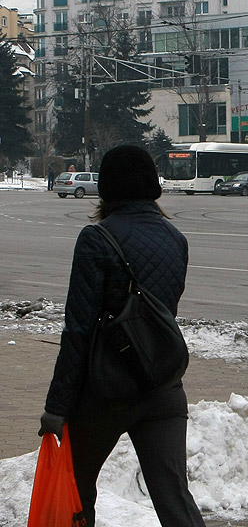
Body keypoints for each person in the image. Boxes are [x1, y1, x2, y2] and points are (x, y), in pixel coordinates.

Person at [38, 144, 206, 527]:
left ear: (107, 189)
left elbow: (78, 330)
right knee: (175, 498)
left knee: (77, 491)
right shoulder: (175, 239)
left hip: (105, 392)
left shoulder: (96, 239)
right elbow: (162, 315)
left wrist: (57, 407)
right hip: (161, 386)